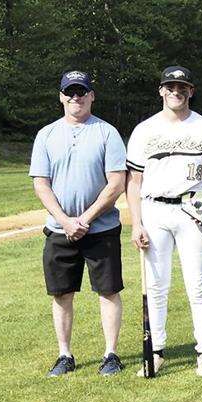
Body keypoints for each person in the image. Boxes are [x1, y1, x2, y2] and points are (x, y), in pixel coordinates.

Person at [126, 66, 202, 377]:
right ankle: (155, 350)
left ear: (191, 91)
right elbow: (134, 181)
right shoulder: (144, 130)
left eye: (182, 87)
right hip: (154, 209)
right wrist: (136, 223)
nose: (176, 91)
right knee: (156, 285)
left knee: (198, 285)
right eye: (170, 86)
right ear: (161, 90)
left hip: (192, 211)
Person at [31, 70, 127, 377]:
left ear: (92, 96)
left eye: (82, 91)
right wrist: (64, 220)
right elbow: (41, 184)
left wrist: (85, 219)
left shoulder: (107, 133)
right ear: (61, 96)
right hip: (60, 230)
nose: (76, 97)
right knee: (61, 293)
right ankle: (64, 355)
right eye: (70, 92)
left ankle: (111, 354)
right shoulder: (46, 135)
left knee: (108, 291)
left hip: (101, 228)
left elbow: (116, 183)